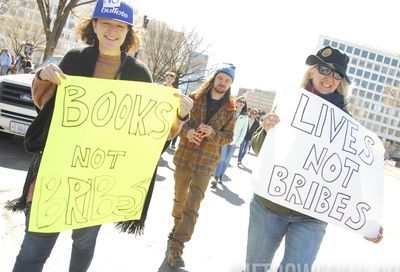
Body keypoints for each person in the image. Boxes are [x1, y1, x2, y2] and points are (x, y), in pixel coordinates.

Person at [7, 1, 192, 271]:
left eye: (120, 26)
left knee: (83, 245)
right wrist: (43, 77)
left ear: (128, 31)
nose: (112, 30)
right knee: (33, 250)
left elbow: (150, 132)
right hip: (56, 172)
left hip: (100, 180)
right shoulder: (74, 59)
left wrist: (179, 115)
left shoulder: (139, 74)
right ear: (94, 25)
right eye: (106, 23)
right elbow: (45, 104)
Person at [245, 46, 384, 272]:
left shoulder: (346, 124)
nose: (329, 78)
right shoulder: (290, 102)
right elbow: (259, 149)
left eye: (337, 74)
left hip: (311, 216)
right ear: (311, 72)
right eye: (324, 70)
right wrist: (267, 130)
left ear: (341, 82)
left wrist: (367, 224)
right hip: (270, 206)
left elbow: (352, 176)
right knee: (254, 268)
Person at [167, 63, 237, 268]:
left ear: (231, 84)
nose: (223, 83)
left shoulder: (230, 108)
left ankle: (177, 246)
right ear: (214, 78)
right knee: (180, 198)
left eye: (228, 80)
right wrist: (186, 131)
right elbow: (177, 122)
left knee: (193, 205)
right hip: (185, 156)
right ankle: (176, 225)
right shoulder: (194, 98)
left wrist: (213, 133)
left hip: (206, 163)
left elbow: (229, 137)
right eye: (221, 78)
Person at [211, 95, 248, 188]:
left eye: (243, 102)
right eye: (240, 101)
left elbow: (243, 131)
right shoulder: (230, 111)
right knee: (221, 158)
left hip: (235, 141)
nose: (241, 103)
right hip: (226, 138)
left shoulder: (245, 116)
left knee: (227, 160)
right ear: (237, 101)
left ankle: (220, 176)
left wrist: (238, 142)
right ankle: (215, 177)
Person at [163, 71, 180, 150]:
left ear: (174, 80)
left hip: (167, 114)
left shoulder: (175, 92)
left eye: (171, 79)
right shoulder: (160, 87)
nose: (169, 80)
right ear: (165, 78)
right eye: (168, 78)